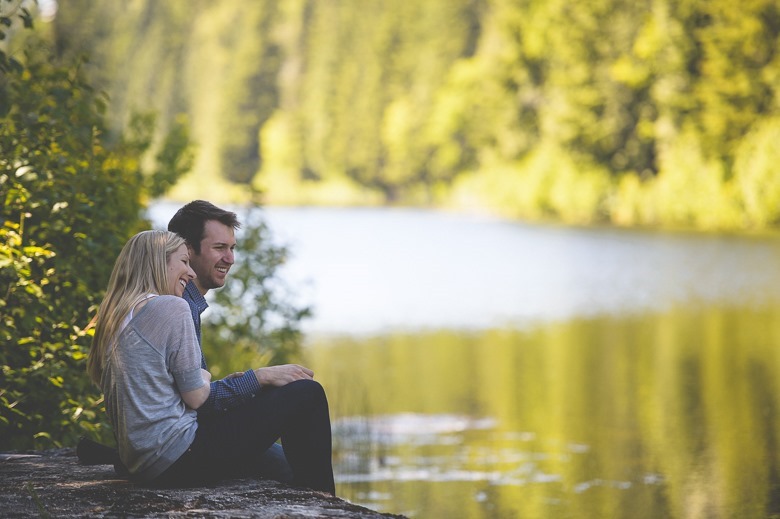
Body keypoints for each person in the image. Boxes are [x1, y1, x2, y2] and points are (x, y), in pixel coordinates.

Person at [86, 230, 335, 493]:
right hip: (180, 458)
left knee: (279, 459)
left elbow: (162, 394)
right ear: (159, 262)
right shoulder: (170, 307)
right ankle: (325, 502)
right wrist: (211, 378)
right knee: (306, 393)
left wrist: (236, 384)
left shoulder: (118, 316)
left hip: (144, 463)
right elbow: (196, 398)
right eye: (183, 262)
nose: (191, 273)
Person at [167, 201, 300, 483]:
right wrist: (258, 378)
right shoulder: (179, 307)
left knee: (287, 459)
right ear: (188, 250)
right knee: (303, 397)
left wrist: (245, 384)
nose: (230, 258)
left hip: (189, 437)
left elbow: (188, 394)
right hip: (186, 448)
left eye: (232, 248)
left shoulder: (187, 303)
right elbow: (197, 405)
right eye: (219, 248)